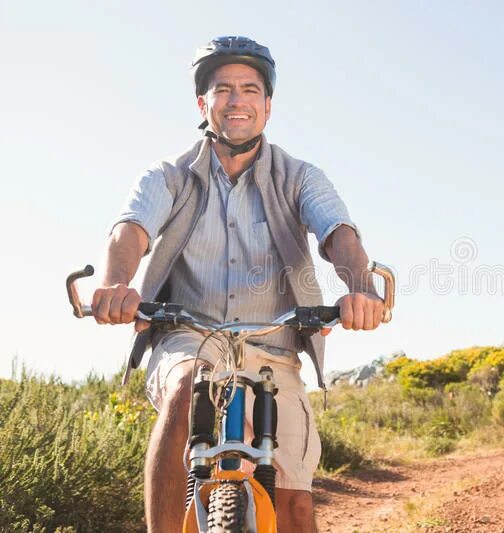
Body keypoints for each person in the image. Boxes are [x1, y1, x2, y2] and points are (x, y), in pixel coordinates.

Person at [91, 35, 385, 532]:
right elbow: (131, 229)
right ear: (203, 103)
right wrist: (116, 283)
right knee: (190, 386)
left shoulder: (300, 177)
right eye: (222, 89)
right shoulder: (168, 176)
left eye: (250, 89)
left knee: (294, 509)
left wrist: (361, 289)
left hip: (275, 347)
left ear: (267, 106)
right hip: (188, 339)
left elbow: (338, 233)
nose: (236, 100)